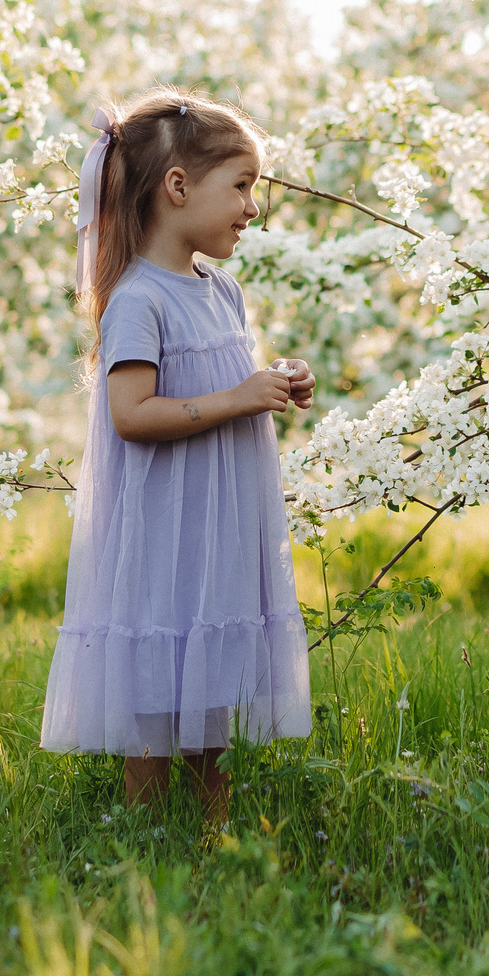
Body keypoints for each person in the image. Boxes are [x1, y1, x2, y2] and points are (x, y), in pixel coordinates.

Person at [38, 89, 314, 824]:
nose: (253, 208)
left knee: (210, 684)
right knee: (157, 684)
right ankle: (144, 837)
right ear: (179, 186)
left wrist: (275, 386)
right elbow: (132, 414)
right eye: (243, 185)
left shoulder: (221, 291)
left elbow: (226, 384)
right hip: (165, 527)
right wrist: (239, 397)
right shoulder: (138, 299)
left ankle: (212, 835)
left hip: (216, 524)